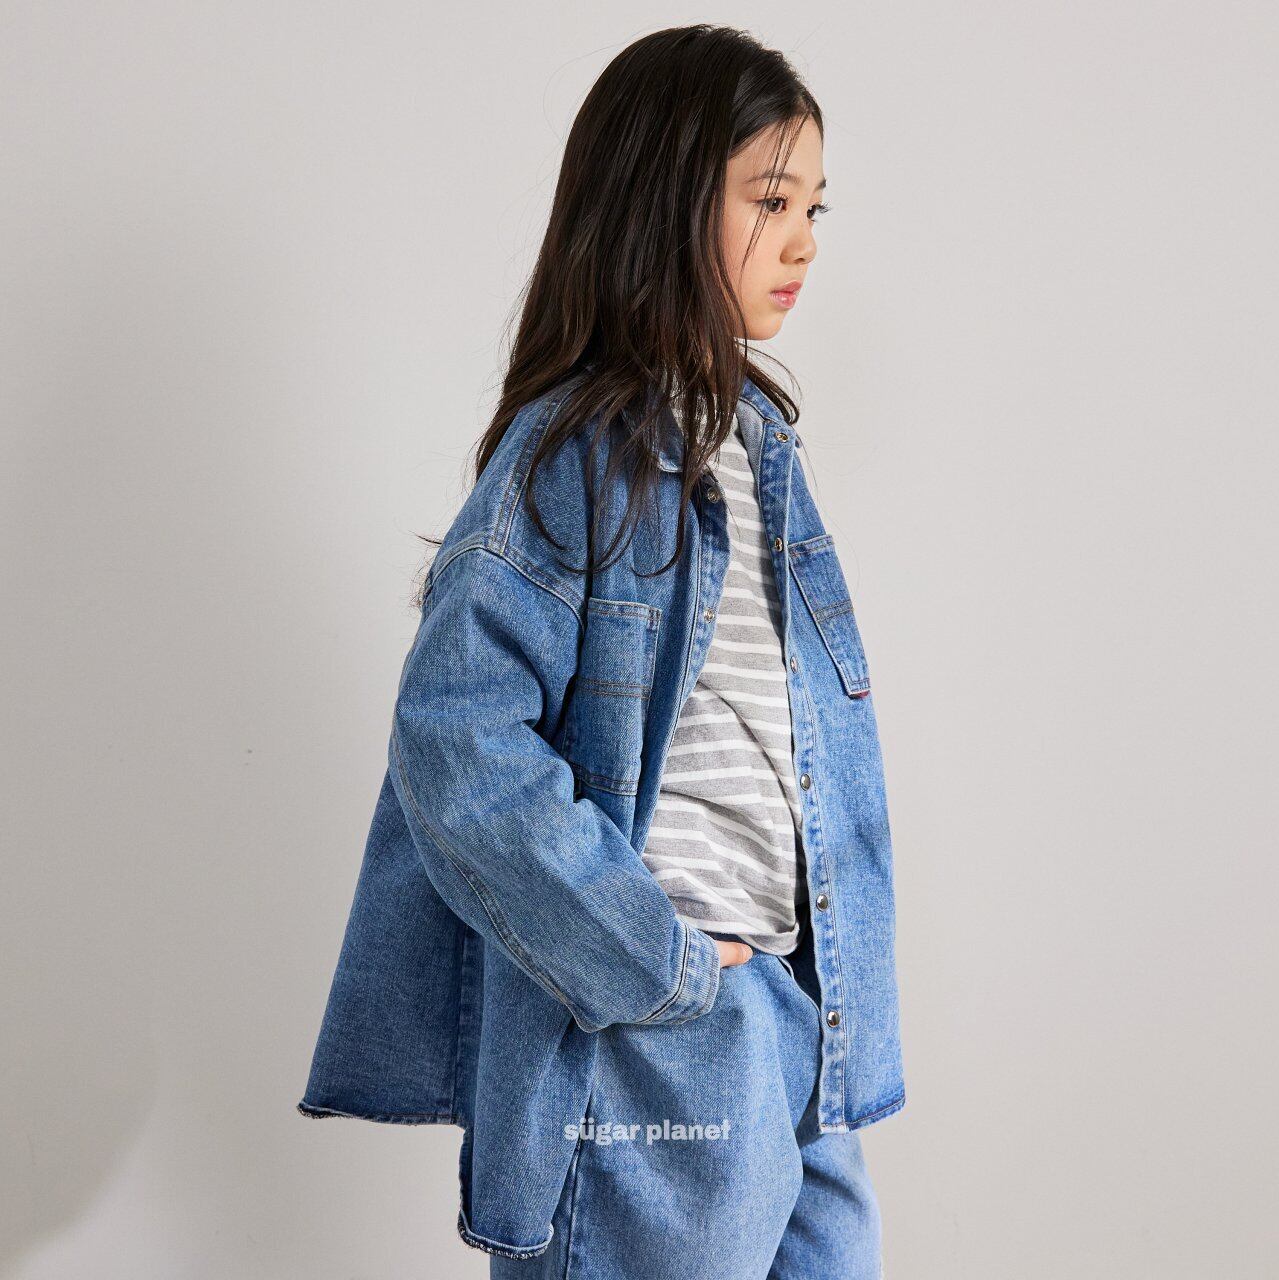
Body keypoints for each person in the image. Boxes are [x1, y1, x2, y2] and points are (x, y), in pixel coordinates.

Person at [298, 24, 904, 1278]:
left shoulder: (757, 452)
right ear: (661, 201)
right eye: (769, 199)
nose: (802, 240)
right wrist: (648, 958)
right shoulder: (580, 451)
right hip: (656, 1028)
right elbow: (456, 738)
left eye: (813, 207)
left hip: (793, 1022)